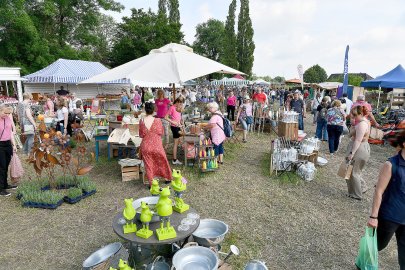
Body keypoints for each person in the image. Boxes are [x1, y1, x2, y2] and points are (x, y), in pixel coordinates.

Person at [367, 129, 405, 269]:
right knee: (377, 245)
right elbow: (379, 191)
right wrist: (373, 217)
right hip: (389, 216)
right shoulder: (391, 165)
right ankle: (363, 262)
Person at [139, 101, 172, 186]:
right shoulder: (158, 120)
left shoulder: (141, 120)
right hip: (157, 145)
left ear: (145, 110)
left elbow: (141, 135)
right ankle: (167, 178)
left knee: (149, 165)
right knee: (162, 161)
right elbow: (161, 132)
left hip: (146, 146)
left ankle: (152, 184)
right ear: (154, 110)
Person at [345, 105, 371, 200]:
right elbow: (350, 135)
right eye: (352, 115)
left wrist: (352, 153)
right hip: (360, 147)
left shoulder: (362, 124)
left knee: (353, 172)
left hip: (359, 148)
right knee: (350, 171)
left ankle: (356, 194)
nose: (354, 117)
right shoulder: (363, 122)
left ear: (361, 114)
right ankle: (356, 190)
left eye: (355, 115)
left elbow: (358, 140)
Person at [0, 104, 17, 197]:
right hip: (0, 145)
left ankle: (5, 184)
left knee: (6, 165)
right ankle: (1, 188)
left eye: (8, 113)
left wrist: (13, 144)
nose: (6, 115)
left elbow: (10, 132)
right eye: (4, 113)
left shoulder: (8, 119)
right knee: (1, 167)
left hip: (7, 144)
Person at [165, 98, 184, 165]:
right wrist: (174, 122)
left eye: (181, 104)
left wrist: (181, 122)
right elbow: (166, 117)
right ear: (177, 102)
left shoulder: (178, 108)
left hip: (178, 127)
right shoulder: (172, 108)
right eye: (180, 103)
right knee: (176, 143)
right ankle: (174, 160)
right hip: (174, 127)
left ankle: (177, 156)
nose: (181, 105)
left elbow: (179, 117)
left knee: (180, 141)